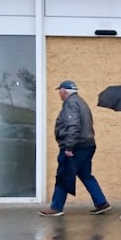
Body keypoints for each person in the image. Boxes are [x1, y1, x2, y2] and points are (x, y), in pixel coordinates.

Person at [39, 80, 111, 216]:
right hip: (88, 145)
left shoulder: (70, 104)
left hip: (76, 147)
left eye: (59, 91)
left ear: (64, 91)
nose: (59, 94)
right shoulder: (81, 102)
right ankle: (101, 203)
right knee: (85, 175)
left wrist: (68, 147)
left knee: (63, 176)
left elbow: (74, 126)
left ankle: (56, 207)